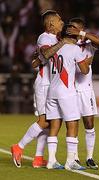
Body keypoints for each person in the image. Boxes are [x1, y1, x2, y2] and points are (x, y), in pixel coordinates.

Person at [11, 10, 65, 168]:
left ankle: (38, 158)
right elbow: (47, 53)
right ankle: (19, 147)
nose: (62, 22)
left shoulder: (57, 38)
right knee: (45, 121)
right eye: (59, 20)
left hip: (53, 84)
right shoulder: (44, 37)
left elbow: (37, 61)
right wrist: (63, 42)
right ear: (51, 24)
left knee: (48, 121)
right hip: (44, 84)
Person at [45, 24, 91, 170]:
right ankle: (70, 161)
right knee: (73, 124)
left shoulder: (54, 47)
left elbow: (45, 56)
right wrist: (87, 63)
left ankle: (51, 160)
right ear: (73, 35)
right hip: (66, 91)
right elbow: (84, 71)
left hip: (51, 91)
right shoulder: (75, 48)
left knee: (54, 125)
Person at [67, 17, 99, 170]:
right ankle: (74, 157)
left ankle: (90, 157)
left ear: (80, 28)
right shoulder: (67, 45)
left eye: (74, 27)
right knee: (72, 123)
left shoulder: (89, 45)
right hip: (70, 90)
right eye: (70, 27)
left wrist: (81, 33)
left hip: (86, 90)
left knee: (89, 123)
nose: (71, 29)